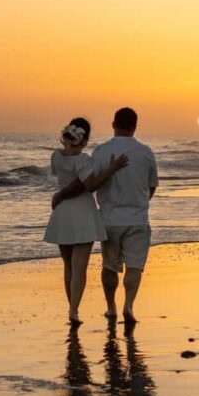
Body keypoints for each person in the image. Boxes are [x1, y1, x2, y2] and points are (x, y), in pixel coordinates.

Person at [53, 107, 158, 324]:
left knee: (108, 265)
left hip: (107, 218)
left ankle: (109, 307)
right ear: (135, 126)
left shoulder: (99, 152)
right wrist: (140, 203)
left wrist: (60, 195)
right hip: (135, 218)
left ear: (113, 124)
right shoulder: (146, 152)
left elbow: (88, 181)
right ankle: (128, 305)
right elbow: (151, 185)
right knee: (134, 266)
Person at [45, 117, 128, 326]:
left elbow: (62, 176)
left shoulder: (55, 156)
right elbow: (89, 185)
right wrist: (111, 169)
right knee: (79, 266)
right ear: (85, 139)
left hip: (62, 213)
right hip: (83, 213)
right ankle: (73, 310)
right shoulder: (83, 160)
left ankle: (71, 308)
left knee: (68, 266)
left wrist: (60, 195)